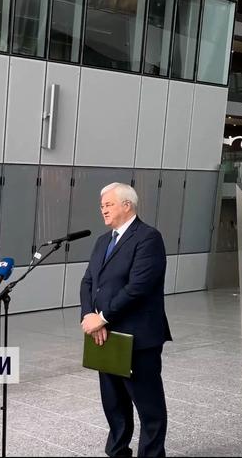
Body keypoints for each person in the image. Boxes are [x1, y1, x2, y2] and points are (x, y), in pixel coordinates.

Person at [80, 183, 171, 457]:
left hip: (137, 338)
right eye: (102, 206)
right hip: (104, 337)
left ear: (127, 205)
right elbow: (88, 282)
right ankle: (117, 452)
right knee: (114, 405)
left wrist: (103, 317)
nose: (103, 210)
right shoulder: (102, 241)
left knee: (149, 407)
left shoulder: (148, 238)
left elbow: (138, 287)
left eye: (108, 204)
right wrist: (88, 315)